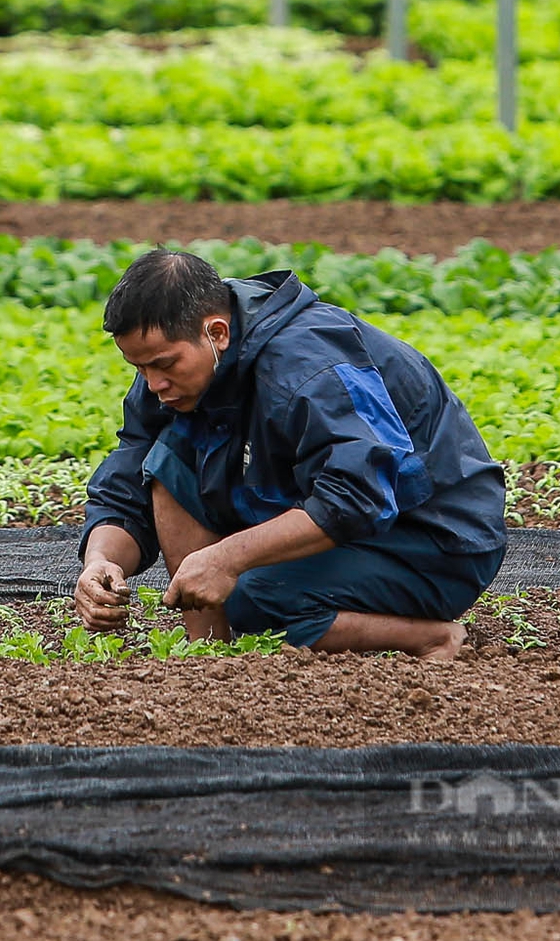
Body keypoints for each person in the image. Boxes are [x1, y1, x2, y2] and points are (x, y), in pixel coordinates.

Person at [76, 248, 507, 659]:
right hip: (342, 521)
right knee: (169, 460)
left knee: (256, 598)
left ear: (217, 333)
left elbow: (358, 496)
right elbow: (132, 473)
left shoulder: (307, 365)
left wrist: (227, 558)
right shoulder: (176, 373)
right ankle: (208, 655)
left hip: (432, 538)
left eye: (165, 365)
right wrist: (101, 561)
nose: (153, 384)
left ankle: (432, 638)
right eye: (140, 368)